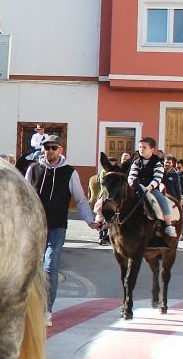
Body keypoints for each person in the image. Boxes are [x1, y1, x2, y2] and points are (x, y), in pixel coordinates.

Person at [25, 136, 100, 326]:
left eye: (54, 147)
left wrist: (90, 221)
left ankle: (46, 310)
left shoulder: (69, 173)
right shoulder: (33, 169)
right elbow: (24, 197)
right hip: (35, 228)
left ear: (60, 149)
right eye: (47, 147)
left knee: (50, 268)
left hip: (57, 228)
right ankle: (29, 307)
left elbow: (80, 199)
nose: (50, 151)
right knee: (32, 269)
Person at [128, 137, 177, 237]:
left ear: (152, 150)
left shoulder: (157, 163)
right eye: (140, 147)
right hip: (137, 188)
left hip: (151, 189)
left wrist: (150, 187)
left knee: (162, 199)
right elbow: (131, 176)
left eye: (144, 147)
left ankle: (168, 224)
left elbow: (157, 178)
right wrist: (132, 184)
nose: (141, 149)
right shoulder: (136, 162)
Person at [88, 157, 115, 245]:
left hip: (110, 198)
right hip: (104, 197)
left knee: (107, 218)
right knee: (101, 217)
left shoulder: (113, 172)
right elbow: (104, 185)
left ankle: (105, 236)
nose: (113, 164)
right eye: (111, 162)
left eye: (114, 163)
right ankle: (101, 236)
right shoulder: (104, 172)